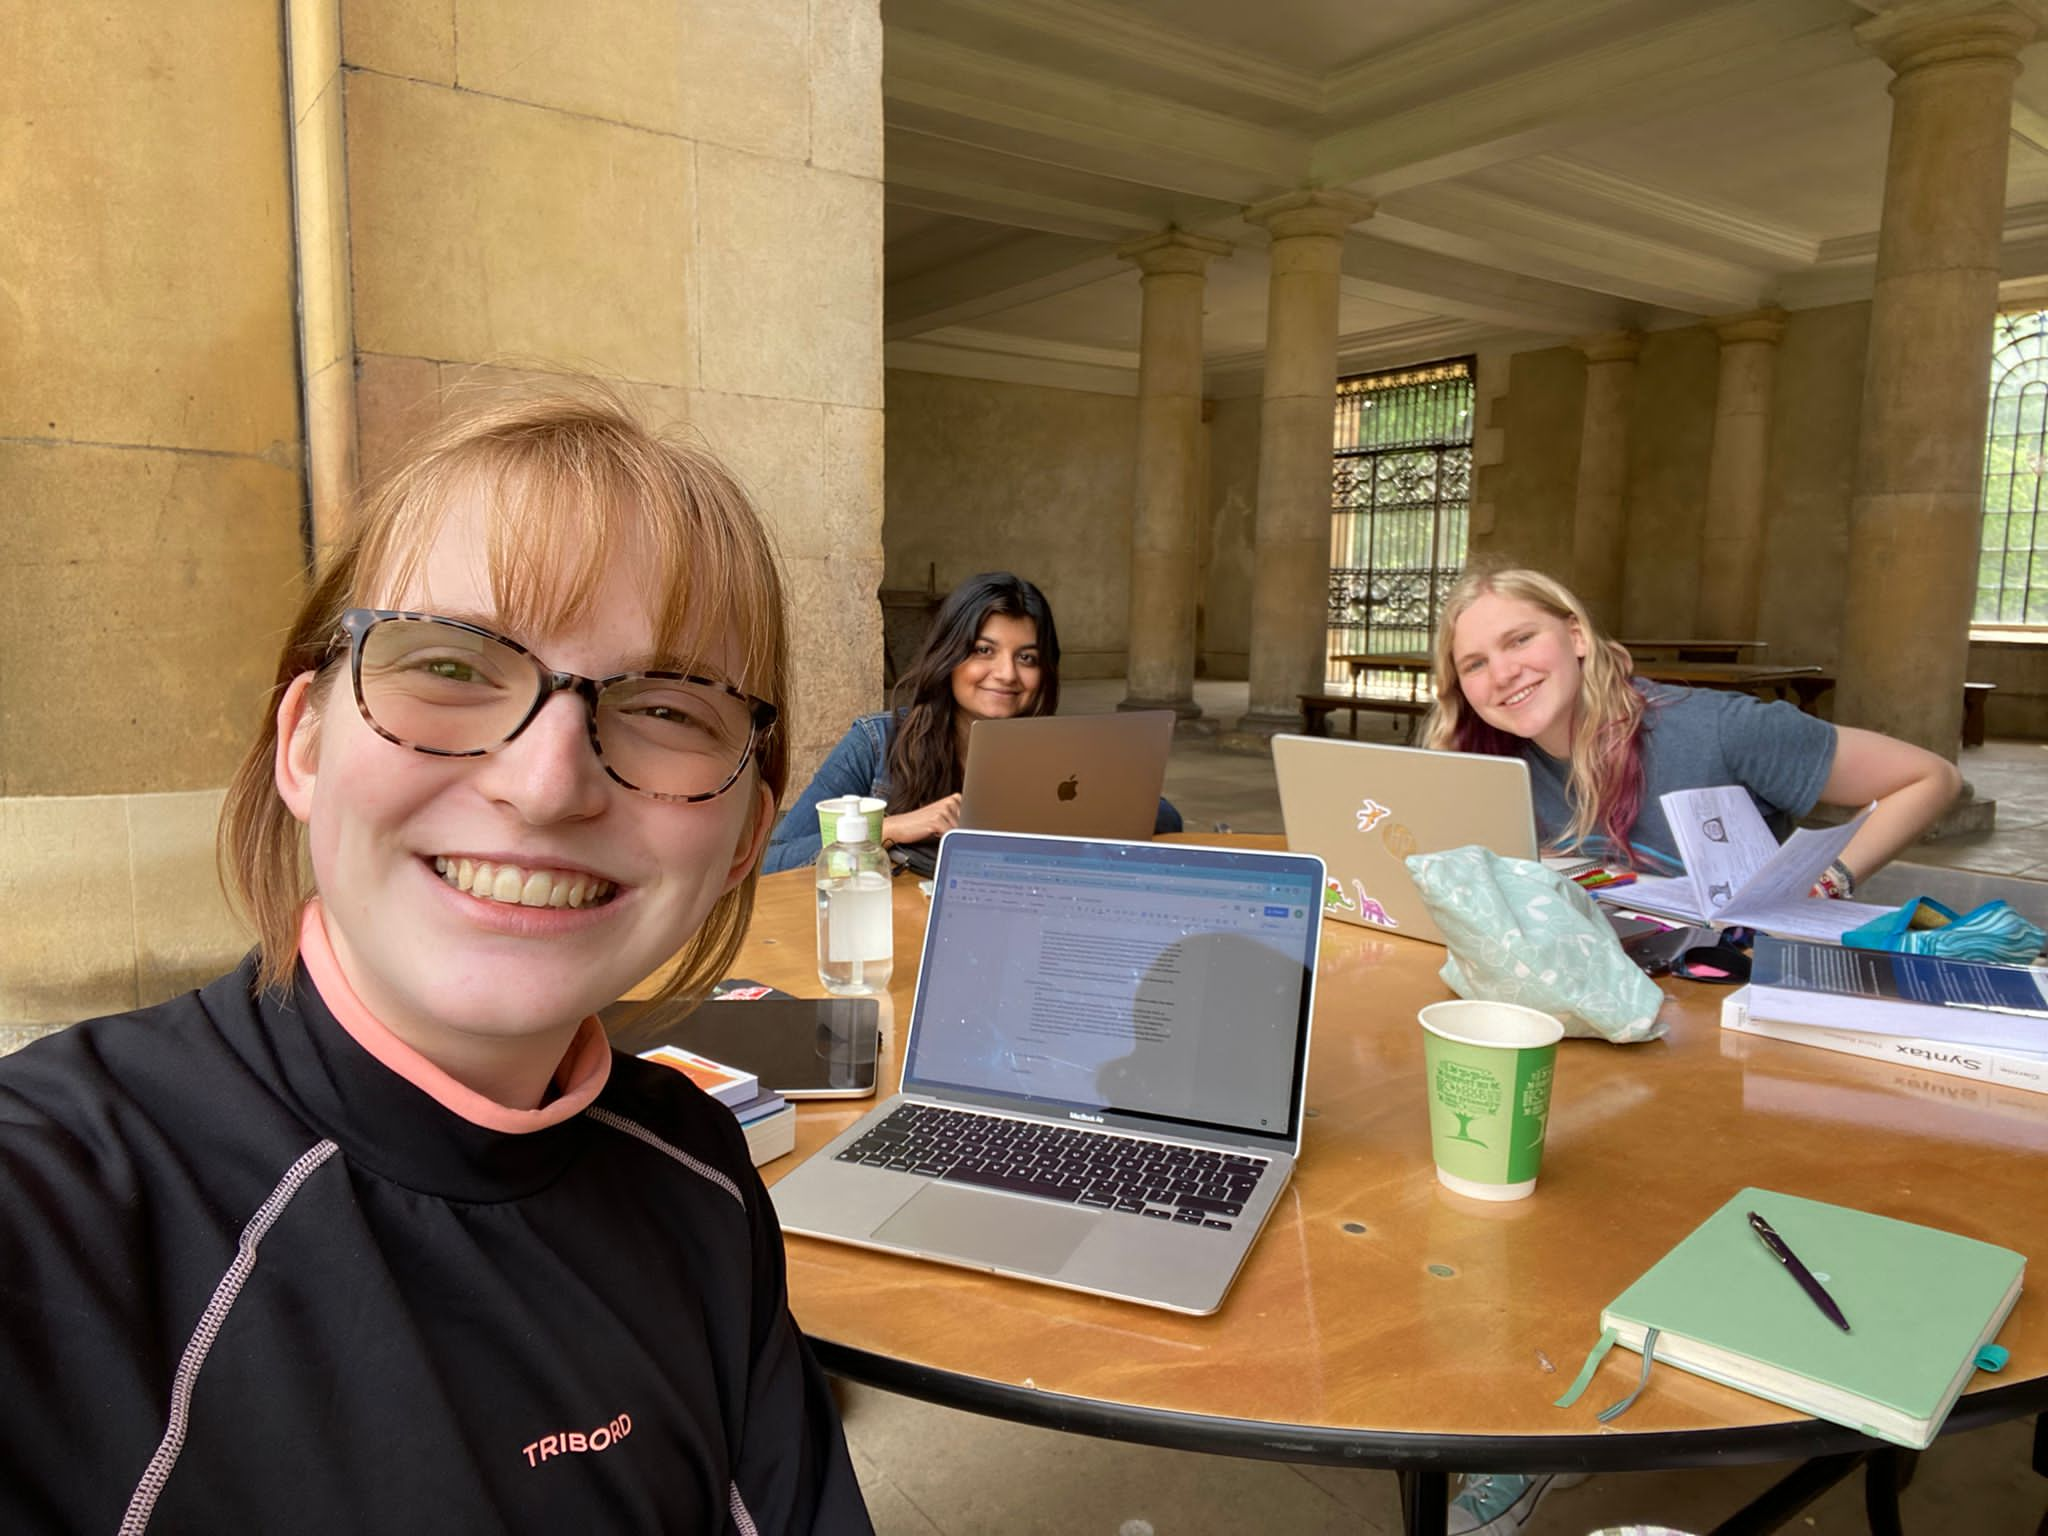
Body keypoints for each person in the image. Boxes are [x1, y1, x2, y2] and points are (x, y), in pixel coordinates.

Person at [0, 395, 872, 1534]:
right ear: (305, 745)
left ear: (746, 838)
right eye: (451, 668)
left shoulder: (697, 1172)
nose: (546, 783)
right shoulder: (53, 1213)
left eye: (663, 706)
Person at [1425, 566, 1962, 892]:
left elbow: (1929, 778)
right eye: (1473, 664)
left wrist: (1825, 881)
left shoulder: (1719, 729)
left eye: (1520, 640)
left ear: (1577, 636)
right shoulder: (1488, 763)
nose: (1502, 673)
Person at [763, 571, 1183, 874]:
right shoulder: (876, 742)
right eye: (984, 650)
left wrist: (1075, 803)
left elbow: (1166, 819)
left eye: (1027, 658)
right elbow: (770, 861)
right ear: (949, 656)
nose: (1006, 674)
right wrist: (892, 827)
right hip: (888, 939)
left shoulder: (1058, 754)